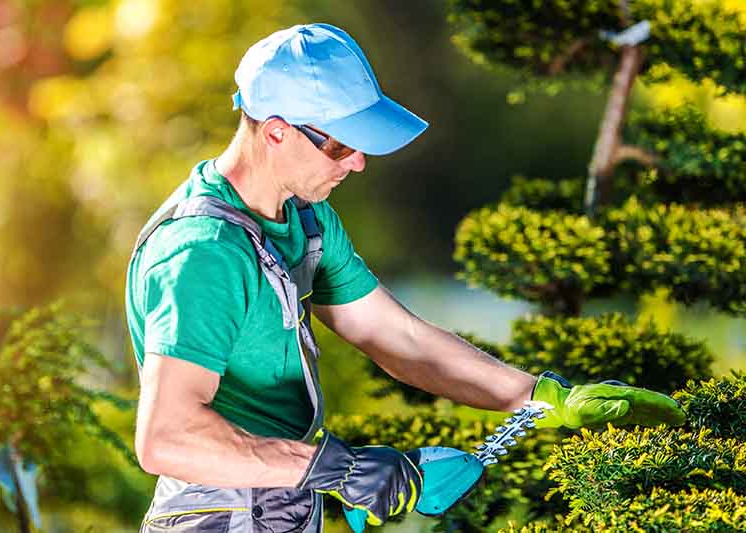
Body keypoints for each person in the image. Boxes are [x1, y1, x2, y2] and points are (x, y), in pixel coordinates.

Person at [124, 23, 685, 532]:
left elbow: (399, 338)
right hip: (217, 517)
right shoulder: (203, 254)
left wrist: (537, 397)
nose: (359, 161)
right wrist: (340, 468)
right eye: (342, 144)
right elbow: (167, 436)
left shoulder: (303, 217)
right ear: (275, 132)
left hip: (282, 505)